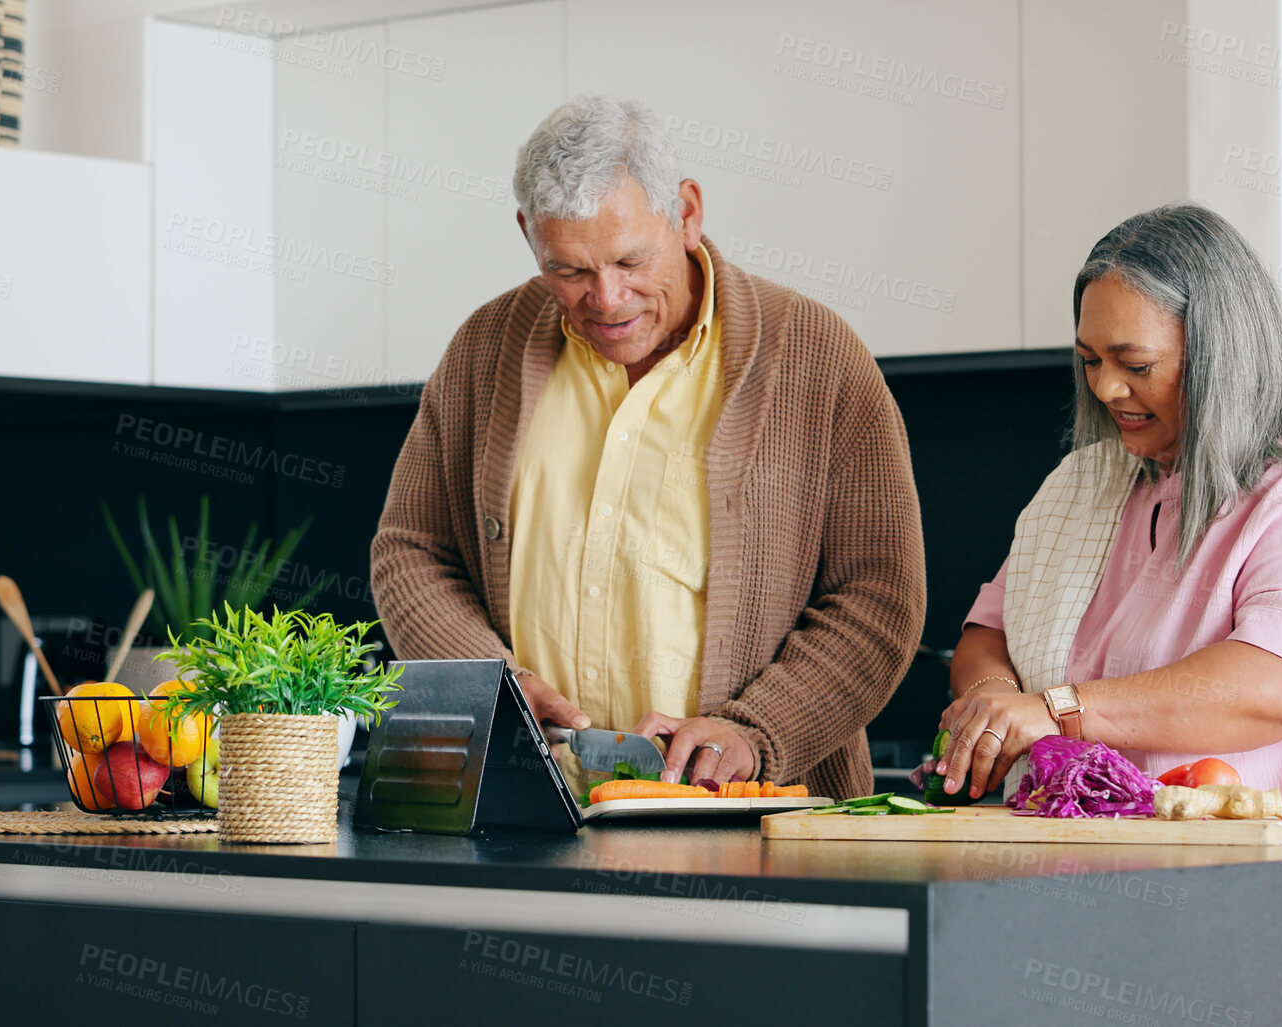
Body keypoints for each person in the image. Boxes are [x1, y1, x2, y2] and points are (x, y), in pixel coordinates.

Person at [370, 95, 925, 800]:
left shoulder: (818, 359)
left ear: (687, 213)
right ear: (527, 235)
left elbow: (878, 597)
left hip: (759, 820)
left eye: (630, 259)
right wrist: (497, 690)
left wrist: (754, 731)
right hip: (531, 809)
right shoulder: (486, 348)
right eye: (568, 270)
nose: (605, 297)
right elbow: (410, 550)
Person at [928, 203, 1282, 834]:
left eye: (1136, 365)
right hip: (1133, 861)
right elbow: (990, 633)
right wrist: (993, 698)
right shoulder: (1084, 483)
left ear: (1223, 355)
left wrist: (1056, 710)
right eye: (1091, 359)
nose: (1105, 388)